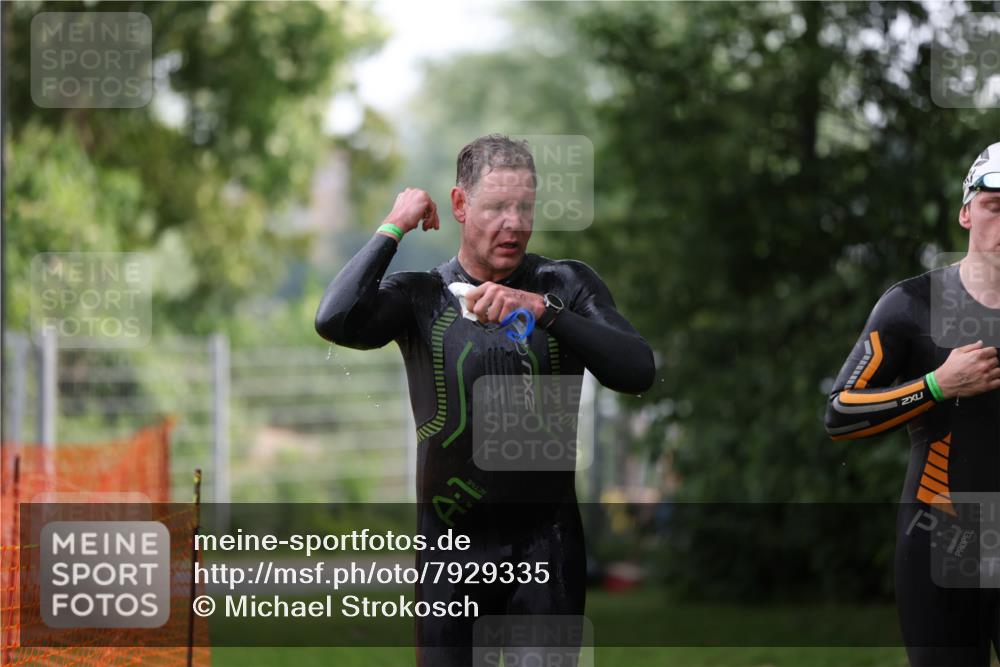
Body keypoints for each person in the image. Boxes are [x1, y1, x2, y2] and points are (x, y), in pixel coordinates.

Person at [315, 134, 655, 666]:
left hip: (546, 552)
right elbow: (334, 320)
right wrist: (394, 226)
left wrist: (543, 311)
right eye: (497, 208)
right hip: (449, 556)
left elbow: (638, 370)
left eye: (525, 208)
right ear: (460, 204)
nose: (513, 224)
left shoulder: (563, 286)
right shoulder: (422, 297)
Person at [826, 141, 1000, 666]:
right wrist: (937, 385)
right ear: (966, 212)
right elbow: (840, 413)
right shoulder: (913, 305)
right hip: (940, 535)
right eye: (995, 207)